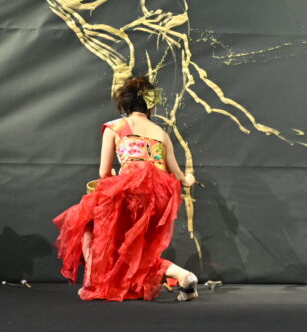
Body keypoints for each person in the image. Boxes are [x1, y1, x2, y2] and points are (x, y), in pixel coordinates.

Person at [54, 75, 199, 301]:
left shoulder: (115, 127)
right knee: (140, 250)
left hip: (131, 193)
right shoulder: (161, 134)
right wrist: (189, 179)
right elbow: (179, 175)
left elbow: (104, 172)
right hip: (160, 197)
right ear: (149, 104)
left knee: (86, 225)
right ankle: (183, 276)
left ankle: (91, 283)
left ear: (125, 103)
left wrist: (114, 176)